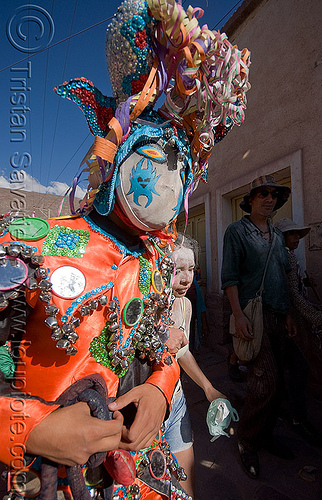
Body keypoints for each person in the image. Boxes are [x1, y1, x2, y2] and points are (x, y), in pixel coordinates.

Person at [0, 1, 250, 497]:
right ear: (115, 163)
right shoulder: (30, 243)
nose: (164, 182)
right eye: (152, 159)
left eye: (178, 171)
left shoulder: (155, 264)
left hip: (126, 476)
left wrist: (160, 386)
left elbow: (161, 347)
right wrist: (27, 428)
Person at [221, 175, 296, 479]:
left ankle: (265, 435)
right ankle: (247, 440)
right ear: (250, 200)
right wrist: (238, 315)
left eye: (273, 195)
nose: (269, 199)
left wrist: (290, 314)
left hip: (279, 316)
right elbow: (230, 278)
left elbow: (285, 275)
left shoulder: (278, 237)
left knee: (279, 384)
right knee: (264, 381)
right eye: (262, 194)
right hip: (254, 315)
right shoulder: (236, 231)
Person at [164, 234, 226, 498]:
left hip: (176, 403)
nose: (186, 278)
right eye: (177, 270)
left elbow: (184, 353)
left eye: (191, 269)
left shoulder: (185, 305)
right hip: (146, 411)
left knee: (184, 485)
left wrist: (208, 388)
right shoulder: (138, 308)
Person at [274, 218, 322, 446]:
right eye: (292, 235)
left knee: (288, 366)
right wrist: (316, 318)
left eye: (297, 235)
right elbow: (292, 294)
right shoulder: (285, 258)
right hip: (286, 320)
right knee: (299, 367)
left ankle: (286, 407)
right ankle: (296, 417)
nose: (296, 239)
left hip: (285, 319)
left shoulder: (289, 257)